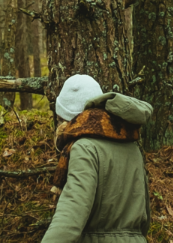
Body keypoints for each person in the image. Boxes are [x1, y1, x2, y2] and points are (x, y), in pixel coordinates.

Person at [41, 74, 153, 242]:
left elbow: (71, 216)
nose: (58, 127)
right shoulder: (131, 145)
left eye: (59, 119)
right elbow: (145, 216)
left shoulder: (84, 148)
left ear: (71, 119)